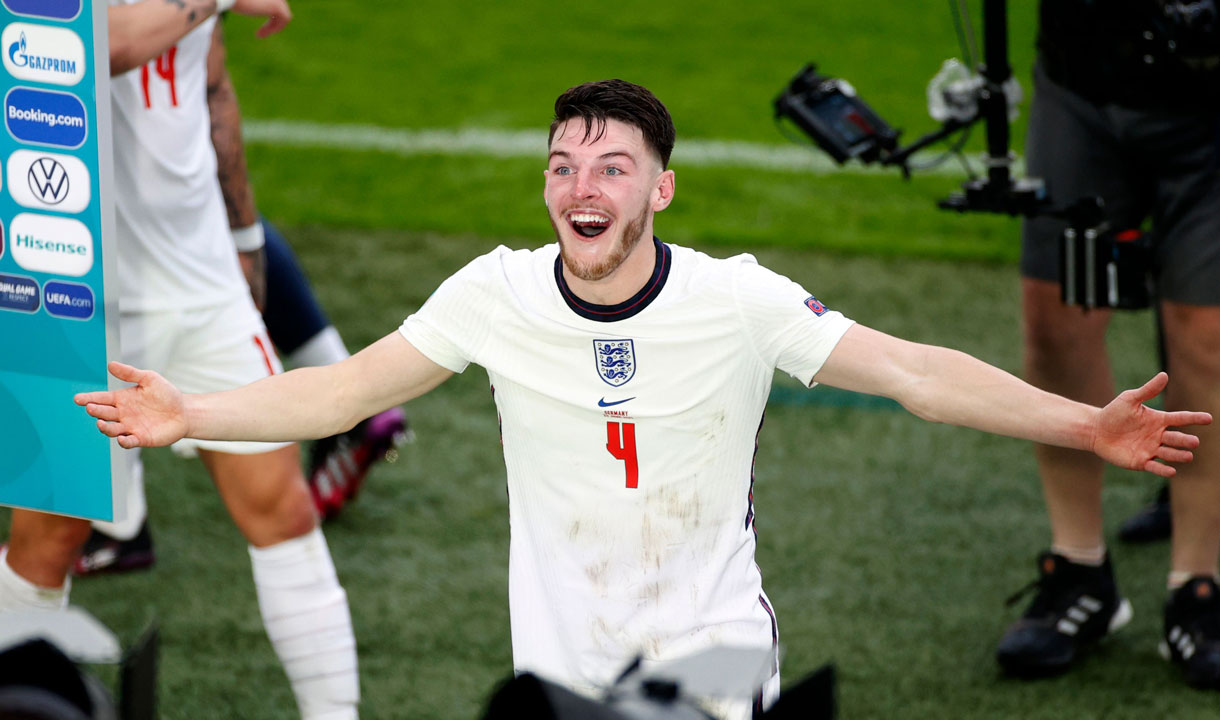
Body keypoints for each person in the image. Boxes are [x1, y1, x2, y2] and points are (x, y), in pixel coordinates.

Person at [74, 79, 1211, 719]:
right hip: (560, 670)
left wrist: (1084, 424)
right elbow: (337, 393)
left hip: (709, 658)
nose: (582, 183)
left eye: (611, 165)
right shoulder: (496, 294)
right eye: (563, 164)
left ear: (659, 189)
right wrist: (193, 414)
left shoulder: (736, 302)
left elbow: (916, 371)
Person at [0, 2, 361, 718]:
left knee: (282, 510)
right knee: (46, 543)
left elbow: (212, 85)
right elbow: (110, 44)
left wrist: (247, 232)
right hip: (69, 299)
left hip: (201, 288)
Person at [994, 0, 1220, 689]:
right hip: (1083, 77)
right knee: (1057, 315)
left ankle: (1200, 582)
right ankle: (1080, 569)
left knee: (1207, 331)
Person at [73, 218, 411, 575]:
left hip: (139, 285)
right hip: (197, 282)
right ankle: (118, 524)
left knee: (49, 529)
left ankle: (116, 527)